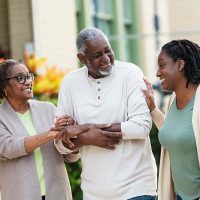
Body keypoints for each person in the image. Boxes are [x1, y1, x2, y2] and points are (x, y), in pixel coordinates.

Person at [55, 27, 157, 200]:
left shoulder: (130, 73)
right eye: (97, 55)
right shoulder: (70, 83)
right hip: (94, 193)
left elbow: (141, 127)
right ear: (82, 58)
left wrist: (85, 129)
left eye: (108, 50)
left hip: (137, 189)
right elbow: (61, 143)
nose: (106, 59)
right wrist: (86, 138)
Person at [0, 59, 79, 200]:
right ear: (4, 86)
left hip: (57, 194)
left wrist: (71, 137)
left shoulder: (48, 109)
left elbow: (70, 156)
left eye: (28, 76)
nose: (28, 81)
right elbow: (8, 148)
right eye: (20, 78)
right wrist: (51, 134)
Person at [142, 39, 200, 200]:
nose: (157, 73)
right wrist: (153, 108)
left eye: (162, 65)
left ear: (180, 65)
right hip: (179, 196)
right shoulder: (172, 100)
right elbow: (175, 132)